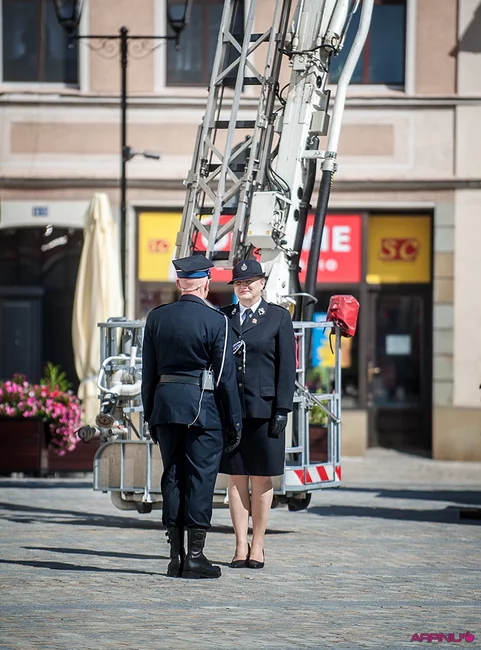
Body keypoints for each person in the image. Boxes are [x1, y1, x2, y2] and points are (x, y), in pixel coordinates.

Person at [142, 255, 242, 580]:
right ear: (206, 284)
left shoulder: (156, 317)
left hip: (164, 407)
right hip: (202, 408)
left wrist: (150, 414)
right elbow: (225, 378)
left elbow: (148, 374)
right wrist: (234, 421)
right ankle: (195, 556)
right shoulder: (217, 320)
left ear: (179, 283)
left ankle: (175, 556)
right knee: (200, 478)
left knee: (172, 475)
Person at [219, 259, 296, 569]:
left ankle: (258, 544)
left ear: (262, 283)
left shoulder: (278, 317)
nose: (244, 286)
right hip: (232, 410)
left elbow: (287, 368)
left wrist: (283, 408)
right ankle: (240, 544)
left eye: (249, 281)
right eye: (239, 282)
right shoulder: (223, 317)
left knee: (262, 477)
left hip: (265, 410)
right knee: (236, 478)